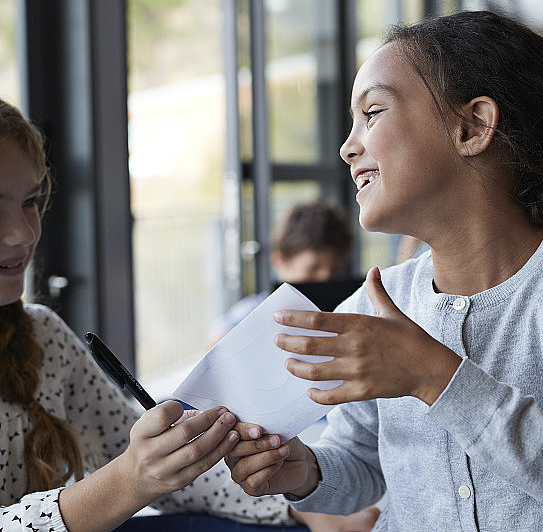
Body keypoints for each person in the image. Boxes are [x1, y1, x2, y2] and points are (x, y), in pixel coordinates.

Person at [225, 10, 543, 532]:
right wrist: (306, 471)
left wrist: (433, 375)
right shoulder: (381, 300)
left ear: (472, 126)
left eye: (372, 112)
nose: (347, 148)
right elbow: (360, 463)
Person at [0, 97, 378, 532]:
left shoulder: (44, 336)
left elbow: (166, 467)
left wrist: (298, 507)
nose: (23, 233)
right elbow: (136, 472)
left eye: (30, 201)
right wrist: (128, 480)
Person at [209, 198, 354, 342]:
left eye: (336, 270)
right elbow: (216, 343)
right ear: (281, 260)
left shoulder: (348, 309)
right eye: (313, 268)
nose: (326, 278)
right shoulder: (256, 309)